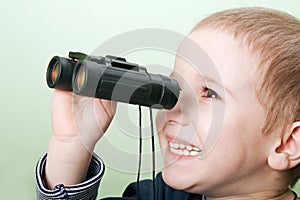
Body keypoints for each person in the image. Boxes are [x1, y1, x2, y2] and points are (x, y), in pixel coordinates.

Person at [36, 7, 300, 200]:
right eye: (175, 88)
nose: (172, 106)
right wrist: (70, 144)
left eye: (209, 93)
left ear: (287, 144)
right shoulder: (162, 195)